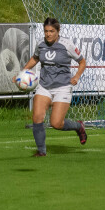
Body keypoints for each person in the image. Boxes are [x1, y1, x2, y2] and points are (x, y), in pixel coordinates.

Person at [17, 18, 87, 157]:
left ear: (58, 31)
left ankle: (78, 126)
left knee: (56, 123)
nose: (48, 34)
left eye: (51, 31)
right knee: (37, 118)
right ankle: (41, 151)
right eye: (46, 31)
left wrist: (77, 76)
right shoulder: (41, 44)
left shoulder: (66, 45)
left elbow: (82, 62)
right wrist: (22, 73)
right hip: (44, 87)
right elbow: (35, 58)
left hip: (62, 88)